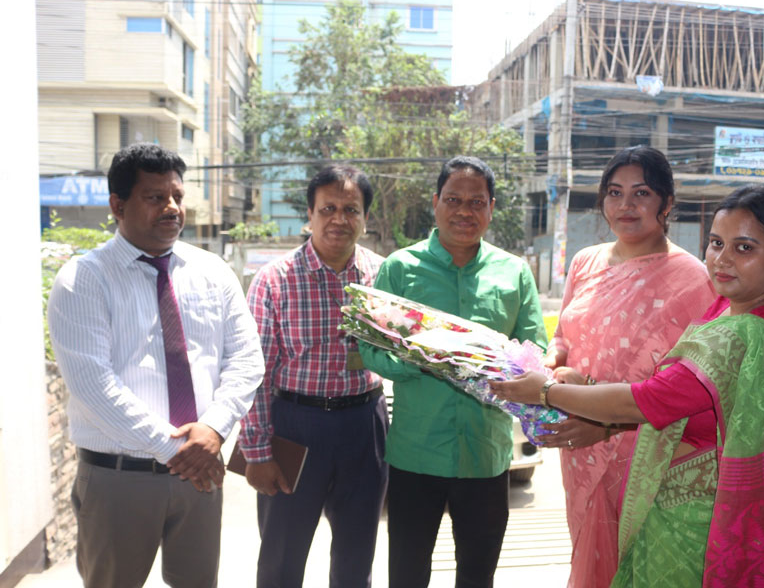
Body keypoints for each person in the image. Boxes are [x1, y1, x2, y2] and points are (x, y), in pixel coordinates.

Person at [491, 186, 764, 586]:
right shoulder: (751, 309)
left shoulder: (744, 332)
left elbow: (650, 399)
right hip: (710, 506)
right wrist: (586, 388)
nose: (722, 259)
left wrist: (544, 393)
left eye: (744, 248)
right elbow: (680, 394)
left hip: (698, 522)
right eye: (716, 243)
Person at [47, 143, 265, 587]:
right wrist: (179, 451)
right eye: (155, 197)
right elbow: (94, 386)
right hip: (119, 478)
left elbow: (246, 358)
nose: (172, 207)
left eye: (177, 196)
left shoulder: (213, 271)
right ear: (117, 205)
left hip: (199, 476)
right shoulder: (83, 280)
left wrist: (214, 428)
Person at [360, 156, 547, 588]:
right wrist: (427, 362)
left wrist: (502, 369)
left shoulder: (514, 272)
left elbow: (534, 349)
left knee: (478, 577)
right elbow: (371, 351)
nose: (465, 211)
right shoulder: (400, 268)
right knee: (407, 575)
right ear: (435, 203)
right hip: (416, 453)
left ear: (491, 208)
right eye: (453, 200)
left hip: (486, 454)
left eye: (476, 202)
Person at [541, 146, 716, 587]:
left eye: (641, 193)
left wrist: (608, 426)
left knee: (638, 564)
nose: (625, 205)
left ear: (667, 203)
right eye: (615, 193)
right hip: (578, 442)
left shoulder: (694, 279)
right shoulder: (585, 262)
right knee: (590, 553)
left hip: (645, 451)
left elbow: (691, 385)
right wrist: (553, 360)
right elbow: (563, 334)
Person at [238, 165, 388, 587]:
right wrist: (256, 451)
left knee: (357, 557)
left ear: (365, 217)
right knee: (281, 558)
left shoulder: (383, 276)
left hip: (364, 424)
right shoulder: (274, 280)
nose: (339, 219)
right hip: (294, 426)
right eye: (328, 209)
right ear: (310, 214)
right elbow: (255, 372)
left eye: (351, 209)